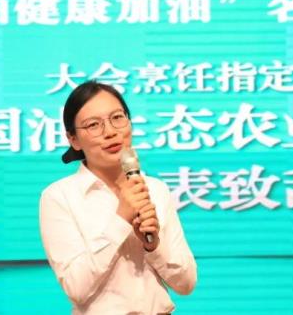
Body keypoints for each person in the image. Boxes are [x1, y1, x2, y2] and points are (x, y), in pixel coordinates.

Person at [39, 80, 197, 314]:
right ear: (74, 139)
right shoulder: (59, 197)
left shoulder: (155, 189)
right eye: (94, 125)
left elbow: (186, 284)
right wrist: (120, 219)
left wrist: (153, 246)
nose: (110, 132)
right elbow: (76, 287)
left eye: (117, 118)